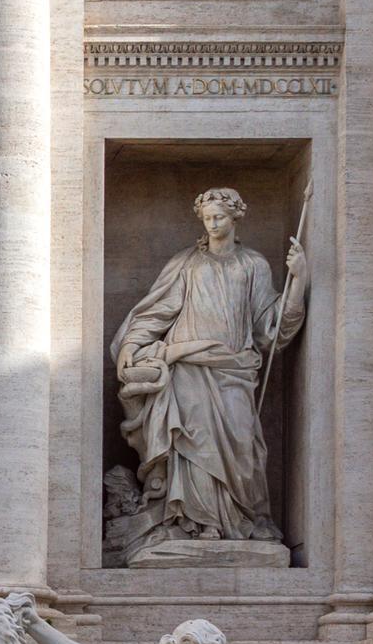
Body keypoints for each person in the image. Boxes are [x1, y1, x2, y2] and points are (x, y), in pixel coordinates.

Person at [109, 190, 310, 549]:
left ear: (235, 218)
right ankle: (195, 522)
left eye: (220, 217)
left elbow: (272, 326)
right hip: (188, 366)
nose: (213, 224)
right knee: (192, 442)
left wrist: (298, 282)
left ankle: (238, 519)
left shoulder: (253, 265)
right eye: (207, 218)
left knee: (242, 442)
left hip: (235, 367)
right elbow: (158, 312)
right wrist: (130, 344)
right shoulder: (186, 263)